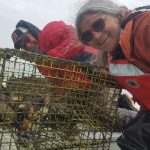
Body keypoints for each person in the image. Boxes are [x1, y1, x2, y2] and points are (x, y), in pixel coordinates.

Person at [75, 0, 150, 149]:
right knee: (129, 133)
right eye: (87, 35)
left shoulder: (144, 27)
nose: (96, 36)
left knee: (134, 140)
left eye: (98, 24)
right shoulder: (112, 55)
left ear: (116, 16)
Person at [11, 20, 97, 64]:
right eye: (24, 46)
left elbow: (75, 39)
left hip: (93, 63)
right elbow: (55, 81)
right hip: (80, 88)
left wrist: (48, 57)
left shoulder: (50, 30)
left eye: (27, 39)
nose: (28, 46)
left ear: (32, 31)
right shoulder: (40, 63)